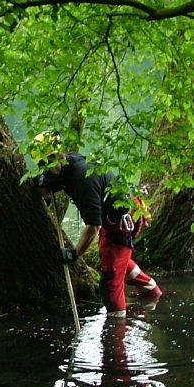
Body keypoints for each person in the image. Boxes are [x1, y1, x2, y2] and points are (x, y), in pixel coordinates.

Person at [29, 132, 161, 315]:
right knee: (115, 261)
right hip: (114, 216)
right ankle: (152, 292)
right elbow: (62, 179)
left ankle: (116, 329)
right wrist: (48, 183)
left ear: (58, 156)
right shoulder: (69, 163)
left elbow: (93, 227)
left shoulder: (83, 180)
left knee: (110, 283)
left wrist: (75, 253)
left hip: (123, 221)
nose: (44, 169)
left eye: (47, 165)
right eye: (40, 165)